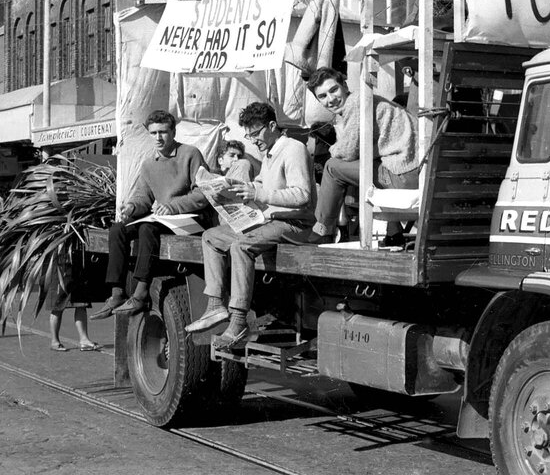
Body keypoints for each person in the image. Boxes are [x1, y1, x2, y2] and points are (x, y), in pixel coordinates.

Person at [185, 102, 314, 349]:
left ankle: (239, 320)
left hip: (294, 223)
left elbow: (302, 195)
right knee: (211, 237)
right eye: (249, 135)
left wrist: (256, 192)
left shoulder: (293, 149)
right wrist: (232, 191)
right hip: (268, 219)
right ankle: (214, 306)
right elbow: (260, 185)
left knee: (241, 246)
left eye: (255, 134)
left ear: (273, 126)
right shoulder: (270, 153)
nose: (253, 141)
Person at [90, 110, 208, 319]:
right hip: (163, 218)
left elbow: (204, 193)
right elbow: (142, 197)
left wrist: (173, 206)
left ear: (173, 132)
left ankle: (141, 292)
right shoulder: (149, 164)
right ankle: (116, 293)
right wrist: (131, 208)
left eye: (163, 132)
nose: (158, 138)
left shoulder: (190, 154)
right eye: (153, 133)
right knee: (118, 229)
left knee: (147, 228)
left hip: (190, 220)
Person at [292, 68, 420, 248]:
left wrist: (335, 148)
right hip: (412, 172)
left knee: (332, 167)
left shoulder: (357, 101)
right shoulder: (365, 101)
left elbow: (346, 151)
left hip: (403, 174)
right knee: (364, 165)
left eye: (334, 90)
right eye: (323, 96)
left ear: (344, 86)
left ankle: (322, 232)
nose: (331, 99)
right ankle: (394, 233)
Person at [46, 256, 100, 352]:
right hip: (60, 263)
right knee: (57, 305)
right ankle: (55, 341)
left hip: (77, 261)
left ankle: (84, 340)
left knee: (81, 303)